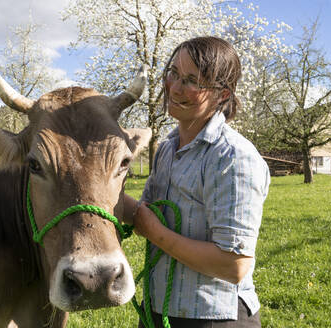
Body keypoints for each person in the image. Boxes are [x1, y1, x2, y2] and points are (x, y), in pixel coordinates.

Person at [123, 36, 270, 328]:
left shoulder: (231, 156)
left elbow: (234, 265)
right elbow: (145, 214)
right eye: (173, 73)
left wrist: (154, 231)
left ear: (222, 94)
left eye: (192, 80)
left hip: (213, 318)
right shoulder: (168, 148)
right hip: (159, 311)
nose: (175, 87)